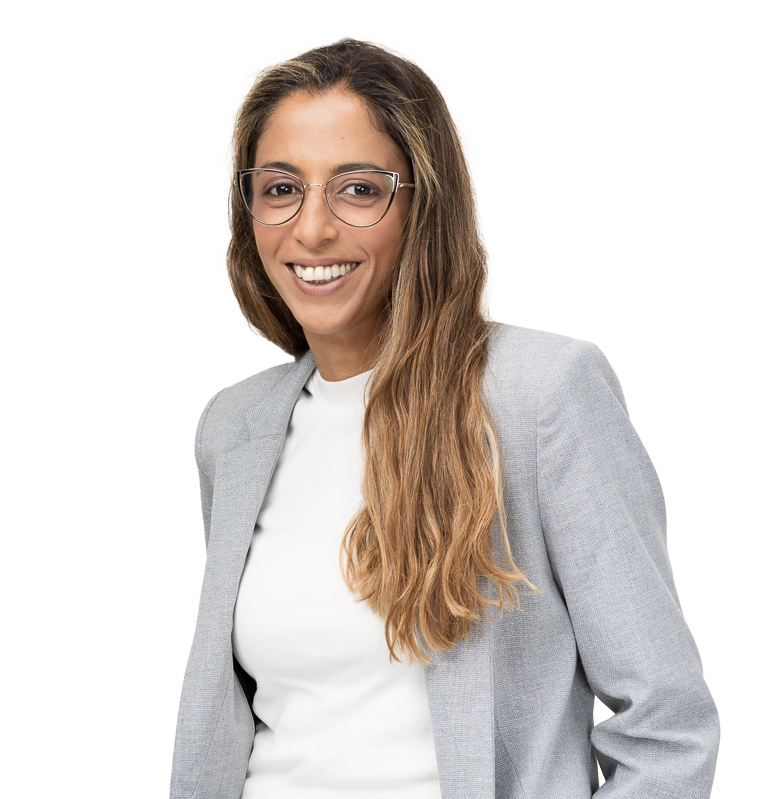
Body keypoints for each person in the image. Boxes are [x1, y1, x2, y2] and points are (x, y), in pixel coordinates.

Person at [169, 36, 720, 799]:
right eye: (281, 187)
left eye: (358, 189)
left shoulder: (538, 397)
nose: (312, 228)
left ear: (421, 205)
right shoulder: (235, 429)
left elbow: (668, 729)